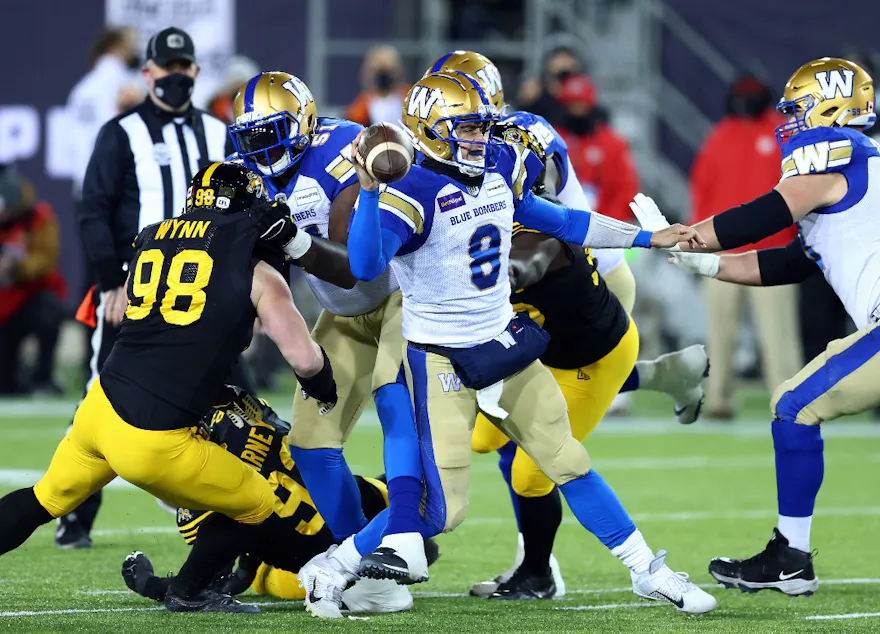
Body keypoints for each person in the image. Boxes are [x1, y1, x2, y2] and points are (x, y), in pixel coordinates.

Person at [297, 70, 717, 618]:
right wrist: (372, 196)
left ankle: (648, 570)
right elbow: (366, 265)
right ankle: (333, 566)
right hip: (438, 359)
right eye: (465, 128)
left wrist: (646, 236)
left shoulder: (502, 164)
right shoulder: (410, 192)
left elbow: (560, 219)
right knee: (440, 512)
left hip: (500, 341)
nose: (478, 138)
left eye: (481, 127)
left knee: (568, 459)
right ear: (429, 129)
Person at [426, 51, 709, 599]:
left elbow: (549, 225)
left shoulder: (513, 156)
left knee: (536, 462)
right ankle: (657, 377)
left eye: (467, 117)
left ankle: (543, 568)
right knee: (488, 434)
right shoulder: (455, 160)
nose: (463, 135)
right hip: (535, 308)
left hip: (586, 285)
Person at [0, 161, 337, 613]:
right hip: (152, 434)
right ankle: (190, 591)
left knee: (46, 498)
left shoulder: (151, 238)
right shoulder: (254, 267)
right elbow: (303, 357)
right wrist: (325, 386)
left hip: (100, 408)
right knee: (257, 502)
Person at [641, 57, 877, 597]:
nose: (789, 122)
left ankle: (790, 558)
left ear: (831, 108)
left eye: (798, 110)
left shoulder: (839, 152)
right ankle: (789, 556)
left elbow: (765, 214)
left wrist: (688, 235)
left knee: (794, 405)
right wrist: (707, 263)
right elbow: (787, 262)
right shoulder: (856, 171)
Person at [228, 72, 427, 582]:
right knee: (311, 442)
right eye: (252, 138)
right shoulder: (245, 175)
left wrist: (293, 242)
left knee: (395, 406)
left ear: (305, 120)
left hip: (405, 299)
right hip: (343, 314)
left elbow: (361, 264)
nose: (263, 148)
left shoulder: (348, 149)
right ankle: (356, 558)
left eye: (273, 131)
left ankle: (401, 541)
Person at [64, 26, 249, 549]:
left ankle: (247, 507)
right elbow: (94, 210)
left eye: (182, 67)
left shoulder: (218, 133)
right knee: (102, 393)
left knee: (236, 396)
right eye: (163, 69)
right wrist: (108, 283)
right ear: (147, 73)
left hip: (207, 292)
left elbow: (242, 212)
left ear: (195, 70)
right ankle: (74, 514)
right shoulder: (120, 133)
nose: (174, 76)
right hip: (137, 286)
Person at [122, 385, 424, 615]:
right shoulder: (239, 407)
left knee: (247, 550)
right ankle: (403, 542)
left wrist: (151, 584)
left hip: (325, 570)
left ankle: (182, 591)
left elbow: (216, 561)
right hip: (372, 517)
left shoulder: (191, 465)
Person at [690, 75, 802, 420]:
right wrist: (698, 243)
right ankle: (720, 400)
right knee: (719, 331)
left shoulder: (784, 133)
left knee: (778, 333)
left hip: (774, 249)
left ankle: (789, 401)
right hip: (722, 250)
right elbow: (701, 191)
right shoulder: (720, 135)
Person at [0, 165, 66, 395]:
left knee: (48, 313)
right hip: (2, 305)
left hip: (29, 297)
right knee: (5, 385)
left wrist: (16, 267)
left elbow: (47, 259)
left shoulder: (38, 218)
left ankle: (43, 376)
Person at [344, 45, 410, 127]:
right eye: (378, 71)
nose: (384, 76)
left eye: (389, 71)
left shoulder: (409, 98)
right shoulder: (362, 106)